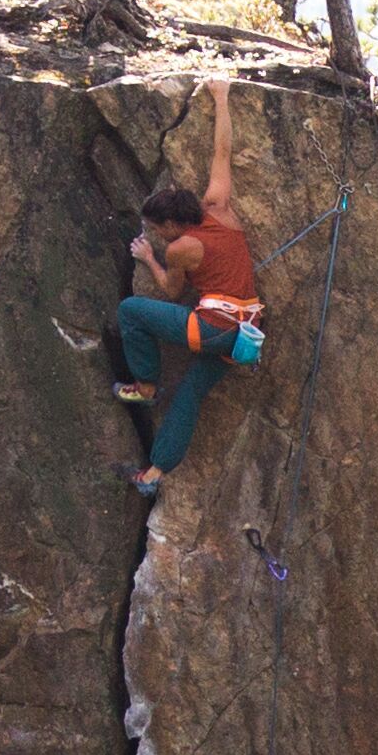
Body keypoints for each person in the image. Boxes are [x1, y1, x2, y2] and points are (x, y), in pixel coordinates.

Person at [112, 80, 265, 496]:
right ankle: (153, 474)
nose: (157, 236)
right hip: (245, 334)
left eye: (157, 230)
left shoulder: (181, 248)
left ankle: (144, 387)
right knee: (192, 392)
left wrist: (149, 259)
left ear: (172, 225)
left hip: (212, 328)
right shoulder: (219, 207)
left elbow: (169, 291)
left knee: (131, 311)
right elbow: (222, 153)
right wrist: (221, 96)